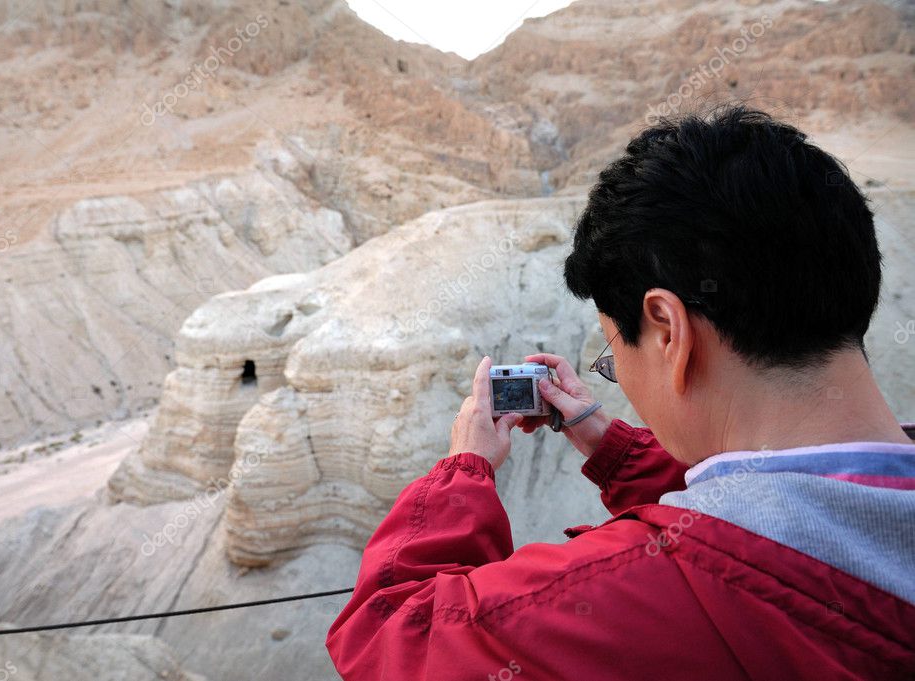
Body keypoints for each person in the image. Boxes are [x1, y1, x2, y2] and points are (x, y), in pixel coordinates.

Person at [326, 106, 915, 680]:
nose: (619, 375)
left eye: (613, 356)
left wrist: (464, 469)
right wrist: (605, 442)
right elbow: (783, 516)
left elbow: (390, 633)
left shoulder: (623, 598)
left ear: (668, 330)